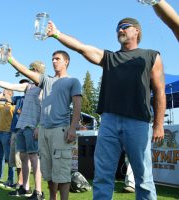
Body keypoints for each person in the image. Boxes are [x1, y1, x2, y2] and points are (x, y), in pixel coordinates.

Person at [46, 17, 166, 199]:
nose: (120, 30)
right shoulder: (110, 57)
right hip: (109, 121)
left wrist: (158, 124)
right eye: (118, 28)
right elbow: (82, 48)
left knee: (143, 177)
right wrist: (57, 34)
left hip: (138, 122)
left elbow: (159, 91)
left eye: (124, 27)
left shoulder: (151, 55)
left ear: (137, 31)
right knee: (102, 176)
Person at [7, 49, 81, 200]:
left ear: (66, 61)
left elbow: (77, 106)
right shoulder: (46, 80)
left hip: (61, 131)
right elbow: (27, 73)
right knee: (48, 172)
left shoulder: (73, 81)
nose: (54, 61)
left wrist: (73, 128)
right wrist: (10, 59)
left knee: (62, 172)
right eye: (52, 59)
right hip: (44, 131)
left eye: (57, 59)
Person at [0, 64, 45, 199]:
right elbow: (11, 86)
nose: (27, 72)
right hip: (21, 127)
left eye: (30, 70)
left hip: (32, 127)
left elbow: (45, 107)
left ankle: (38, 192)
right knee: (23, 158)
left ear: (36, 71)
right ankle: (24, 188)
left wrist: (39, 125)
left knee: (34, 158)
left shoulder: (43, 86)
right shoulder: (28, 86)